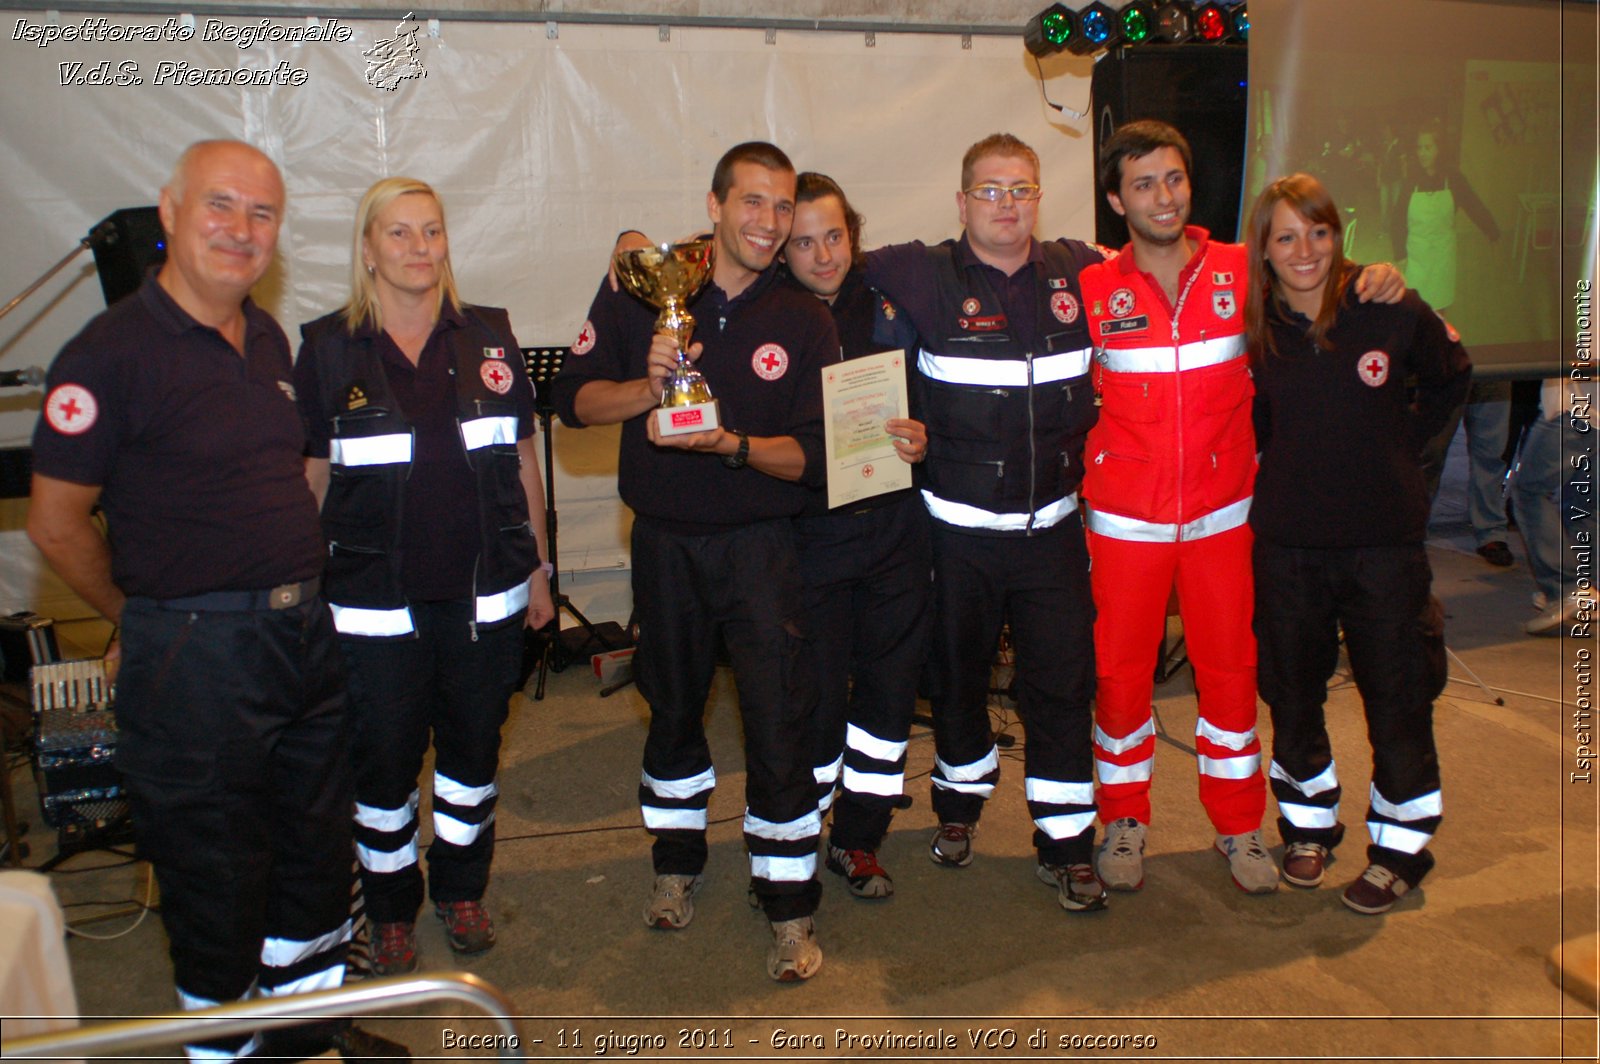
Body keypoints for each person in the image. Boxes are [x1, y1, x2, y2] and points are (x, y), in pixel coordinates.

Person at [26, 140, 362, 1061]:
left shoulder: (269, 339)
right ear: (168, 212)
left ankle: (306, 1035)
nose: (242, 229)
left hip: (302, 638)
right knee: (215, 877)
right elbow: (56, 526)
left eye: (262, 214)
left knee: (314, 860)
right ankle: (228, 1049)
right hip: (195, 657)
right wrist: (144, 614)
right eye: (220, 206)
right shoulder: (107, 355)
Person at [1078, 121, 1405, 896]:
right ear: (1115, 198)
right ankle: (1123, 819)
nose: (1162, 195)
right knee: (1121, 679)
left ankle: (1237, 826)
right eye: (1144, 183)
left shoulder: (1241, 269)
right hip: (1125, 521)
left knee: (1230, 678)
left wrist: (1375, 275)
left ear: (1191, 185)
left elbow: (1312, 269)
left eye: (1174, 179)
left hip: (1226, 517)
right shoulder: (1091, 286)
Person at [553, 142, 836, 981]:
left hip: (762, 549)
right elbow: (572, 403)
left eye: (783, 206)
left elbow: (819, 456)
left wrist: (733, 446)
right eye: (753, 202)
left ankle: (788, 906)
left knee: (777, 723)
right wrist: (648, 387)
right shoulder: (648, 284)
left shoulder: (804, 316)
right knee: (672, 711)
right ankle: (675, 867)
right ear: (714, 206)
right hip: (666, 545)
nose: (770, 221)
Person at [294, 177, 555, 975]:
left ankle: (462, 889)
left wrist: (540, 567)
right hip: (373, 609)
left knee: (473, 758)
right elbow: (309, 478)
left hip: (487, 597)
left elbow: (520, 459)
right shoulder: (328, 348)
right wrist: (300, 590)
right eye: (400, 234)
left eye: (431, 232)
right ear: (368, 250)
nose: (419, 248)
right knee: (383, 767)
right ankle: (391, 907)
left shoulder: (488, 336)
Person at [858, 133, 1108, 913]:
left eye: (1022, 189)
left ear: (1040, 196)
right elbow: (813, 261)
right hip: (955, 536)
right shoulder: (917, 272)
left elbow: (1176, 261)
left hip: (1055, 536)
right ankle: (959, 811)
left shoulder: (1083, 271)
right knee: (957, 682)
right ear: (961, 201)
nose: (1007, 204)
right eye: (991, 190)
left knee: (1061, 689)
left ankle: (1067, 844)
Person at [1245, 172, 1469, 914]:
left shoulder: (1388, 306)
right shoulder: (1254, 328)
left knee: (1398, 695)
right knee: (1292, 692)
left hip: (1382, 547)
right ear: (1265, 251)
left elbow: (1450, 378)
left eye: (1317, 231)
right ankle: (1308, 828)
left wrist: (1404, 456)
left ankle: (1401, 848)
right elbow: (1260, 427)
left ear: (1338, 235)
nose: (1304, 249)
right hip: (1288, 547)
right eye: (1286, 236)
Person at [780, 172, 931, 899]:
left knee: (887, 698)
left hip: (898, 536)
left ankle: (861, 838)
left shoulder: (893, 302)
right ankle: (797, 843)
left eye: (833, 235)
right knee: (812, 703)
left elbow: (933, 393)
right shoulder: (769, 318)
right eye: (803, 241)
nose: (822, 254)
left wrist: (923, 435)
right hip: (811, 541)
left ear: (854, 233)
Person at [1395, 121, 1509, 563]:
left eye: (1431, 145)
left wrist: (1494, 234)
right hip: (1419, 265)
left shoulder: (1454, 181)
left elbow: (1477, 208)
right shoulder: (1408, 184)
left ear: (1438, 150)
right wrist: (1401, 255)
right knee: (1430, 450)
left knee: (1488, 447)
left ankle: (1491, 530)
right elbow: (1394, 220)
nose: (1425, 152)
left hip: (1445, 262)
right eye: (1420, 144)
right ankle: (1411, 530)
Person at [1516, 377, 1592, 635]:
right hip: (1586, 410)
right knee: (1583, 501)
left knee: (1528, 491)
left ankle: (1567, 589)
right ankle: (1585, 590)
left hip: (1575, 409)